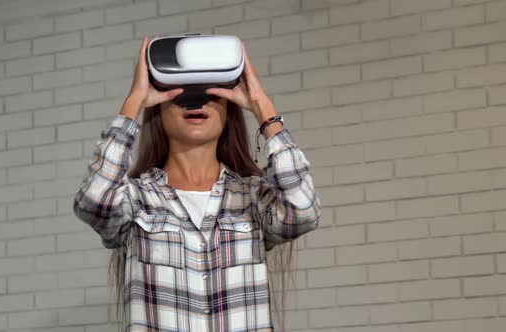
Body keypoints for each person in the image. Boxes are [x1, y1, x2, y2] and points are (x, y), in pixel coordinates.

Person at [73, 35, 321, 331]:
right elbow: (93, 200)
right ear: (159, 107)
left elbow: (303, 210)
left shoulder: (253, 199)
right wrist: (133, 102)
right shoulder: (135, 200)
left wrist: (262, 107)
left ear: (230, 109)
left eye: (211, 91)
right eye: (179, 92)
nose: (196, 101)